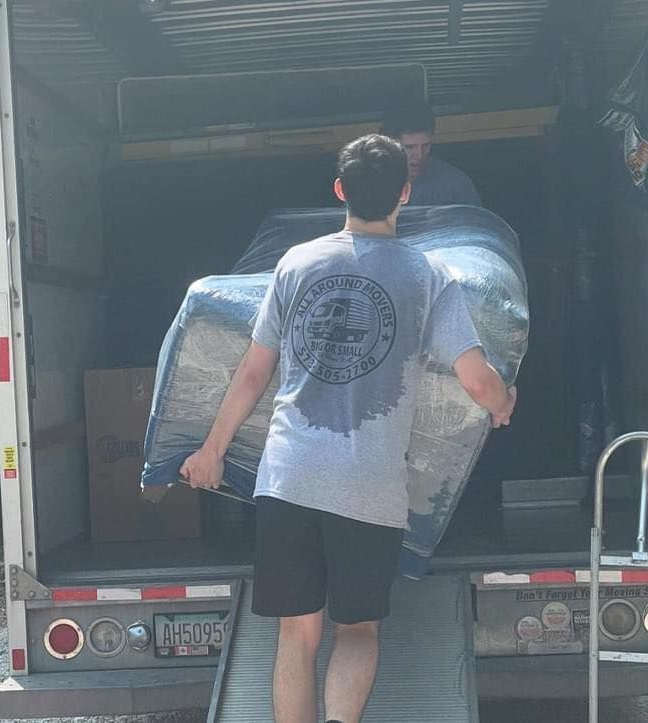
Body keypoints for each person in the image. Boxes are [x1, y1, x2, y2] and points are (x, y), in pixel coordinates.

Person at [180, 134, 515, 723]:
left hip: (288, 480)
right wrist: (504, 400)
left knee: (296, 634)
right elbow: (477, 380)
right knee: (357, 629)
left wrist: (212, 450)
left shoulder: (295, 264)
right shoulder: (428, 275)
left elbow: (254, 372)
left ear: (339, 190)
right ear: (405, 193)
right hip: (369, 486)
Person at [382, 103, 482, 207]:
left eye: (426, 145)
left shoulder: (455, 182)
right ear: (388, 143)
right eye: (409, 147)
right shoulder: (373, 182)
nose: (420, 155)